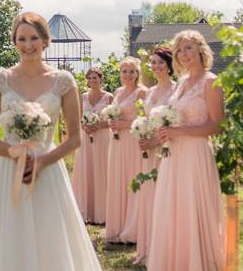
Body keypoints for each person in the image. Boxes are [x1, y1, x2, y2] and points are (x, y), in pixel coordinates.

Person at [0, 12, 102, 271]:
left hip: (48, 171)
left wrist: (41, 162)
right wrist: (14, 152)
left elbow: (75, 138)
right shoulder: (1, 79)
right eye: (21, 39)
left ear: (45, 40)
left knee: (49, 235)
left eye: (33, 38)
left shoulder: (63, 81)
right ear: (14, 41)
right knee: (6, 232)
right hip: (8, 169)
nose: (28, 45)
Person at [148, 30, 224, 271]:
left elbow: (217, 125)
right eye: (179, 50)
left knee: (193, 206)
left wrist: (179, 132)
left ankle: (199, 262)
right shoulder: (180, 84)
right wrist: (165, 129)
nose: (183, 53)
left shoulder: (210, 81)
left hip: (195, 155)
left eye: (188, 47)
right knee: (175, 208)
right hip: (174, 155)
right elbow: (175, 118)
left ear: (201, 50)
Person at [134, 46, 176, 265]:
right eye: (153, 62)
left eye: (160, 62)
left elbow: (176, 122)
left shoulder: (177, 90)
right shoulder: (149, 93)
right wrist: (142, 134)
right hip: (148, 151)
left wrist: (155, 140)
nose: (156, 66)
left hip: (168, 150)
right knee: (149, 194)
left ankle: (165, 250)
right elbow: (148, 119)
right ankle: (148, 248)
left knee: (165, 196)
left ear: (169, 65)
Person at [105, 56, 147, 244]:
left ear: (138, 73)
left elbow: (144, 121)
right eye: (124, 71)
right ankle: (118, 226)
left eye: (132, 71)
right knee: (118, 179)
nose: (128, 75)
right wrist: (111, 123)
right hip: (117, 142)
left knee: (131, 178)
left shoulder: (142, 92)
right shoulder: (118, 92)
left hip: (132, 141)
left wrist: (123, 124)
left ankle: (133, 228)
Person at [71, 67, 114, 224]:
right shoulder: (82, 97)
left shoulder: (109, 97)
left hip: (102, 138)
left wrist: (99, 125)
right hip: (86, 139)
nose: (92, 81)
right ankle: (85, 210)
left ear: (100, 79)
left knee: (101, 170)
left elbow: (113, 119)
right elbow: (77, 117)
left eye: (95, 77)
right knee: (86, 170)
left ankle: (102, 211)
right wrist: (85, 126)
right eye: (89, 78)